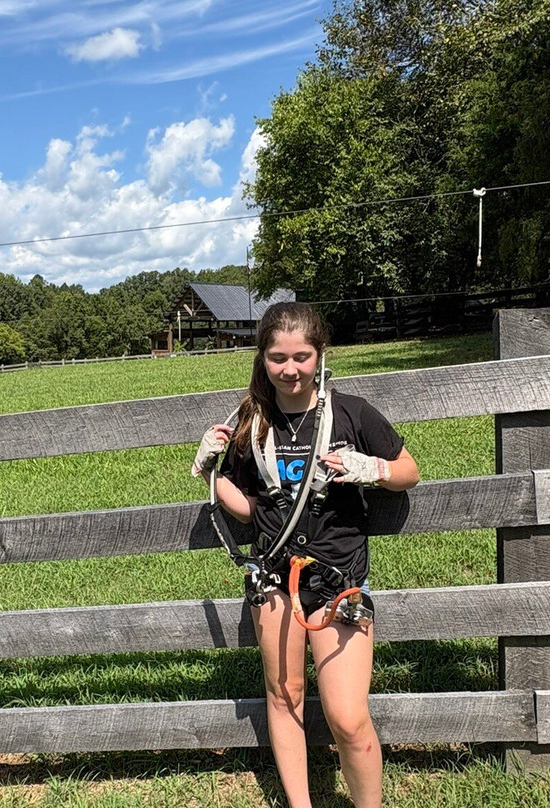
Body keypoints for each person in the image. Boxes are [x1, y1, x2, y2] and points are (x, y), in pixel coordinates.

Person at [192, 301, 420, 808]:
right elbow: (250, 510)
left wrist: (372, 469)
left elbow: (409, 471)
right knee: (285, 696)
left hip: (340, 578)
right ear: (263, 358)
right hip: (274, 577)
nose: (290, 369)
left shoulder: (352, 413)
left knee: (347, 717)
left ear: (320, 355)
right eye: (278, 358)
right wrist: (210, 471)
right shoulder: (252, 423)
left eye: (301, 357)